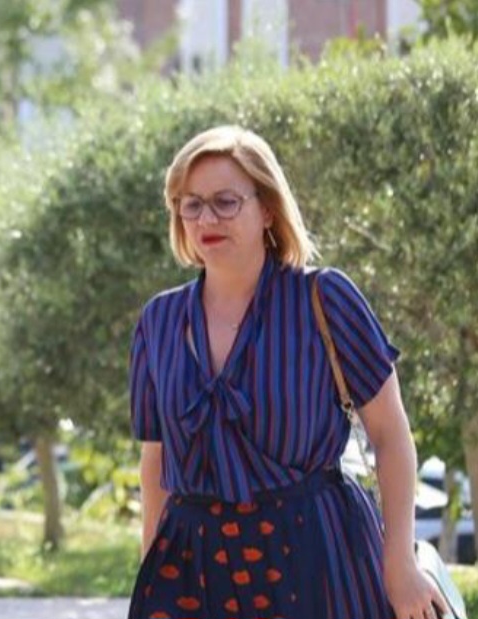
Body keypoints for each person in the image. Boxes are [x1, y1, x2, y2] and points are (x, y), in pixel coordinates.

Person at [127, 125, 447, 619]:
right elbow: (157, 462)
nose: (206, 218)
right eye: (191, 204)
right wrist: (152, 566)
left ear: (268, 209)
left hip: (318, 560)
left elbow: (390, 434)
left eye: (225, 202)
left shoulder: (325, 298)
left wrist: (400, 562)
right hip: (194, 569)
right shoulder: (158, 321)